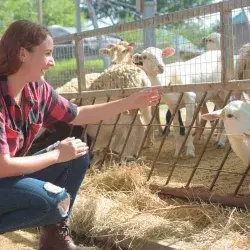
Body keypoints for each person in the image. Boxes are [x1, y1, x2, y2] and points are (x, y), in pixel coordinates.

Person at [0, 20, 160, 250]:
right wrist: (56, 155)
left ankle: (54, 239)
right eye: (47, 54)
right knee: (54, 202)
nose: (52, 62)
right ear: (23, 54)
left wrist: (130, 101)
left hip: (6, 178)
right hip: (3, 174)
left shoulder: (36, 89)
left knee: (77, 152)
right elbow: (3, 166)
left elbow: (77, 114)